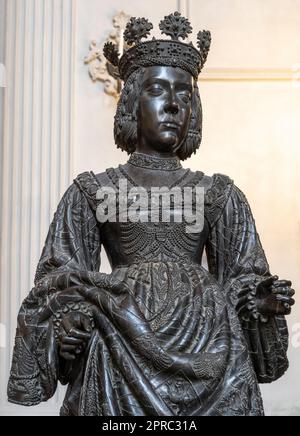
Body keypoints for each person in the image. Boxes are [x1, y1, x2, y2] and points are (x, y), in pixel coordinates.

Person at [8, 12, 295, 416]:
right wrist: (70, 318)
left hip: (211, 349)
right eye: (158, 90)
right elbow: (60, 277)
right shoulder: (93, 190)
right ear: (131, 101)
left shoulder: (219, 194)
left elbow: (243, 277)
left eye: (184, 94)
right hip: (117, 349)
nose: (174, 105)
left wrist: (259, 299)